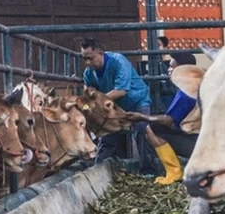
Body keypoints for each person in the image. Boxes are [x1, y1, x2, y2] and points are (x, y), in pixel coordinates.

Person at [124, 60, 202, 186]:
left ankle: (174, 172)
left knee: (153, 129)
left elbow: (168, 121)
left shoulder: (187, 93)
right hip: (204, 142)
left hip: (197, 145)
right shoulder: (197, 87)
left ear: (183, 71)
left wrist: (142, 117)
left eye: (172, 67)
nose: (168, 70)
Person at [80, 37, 154, 168]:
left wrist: (97, 103)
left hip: (136, 101)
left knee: (142, 132)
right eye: (84, 58)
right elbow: (88, 96)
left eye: (91, 58)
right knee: (107, 136)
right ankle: (98, 169)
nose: (87, 62)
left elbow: (121, 90)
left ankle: (148, 170)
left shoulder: (118, 61)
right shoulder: (88, 73)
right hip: (112, 106)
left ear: (101, 53)